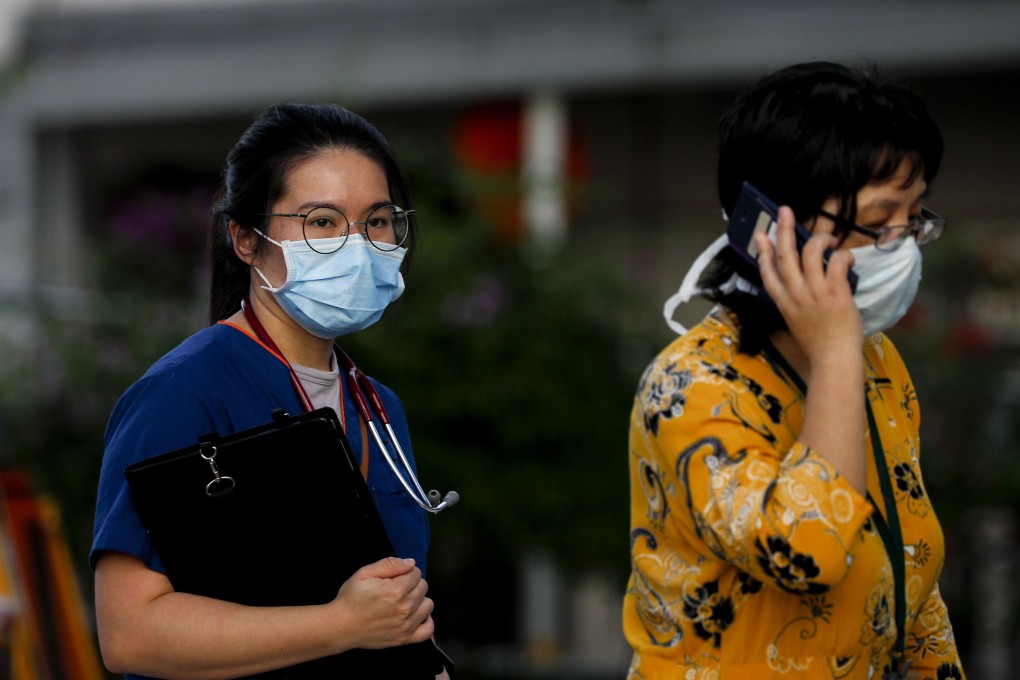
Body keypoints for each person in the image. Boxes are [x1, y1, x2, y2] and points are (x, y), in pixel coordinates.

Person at [623, 62, 967, 679]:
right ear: (772, 224)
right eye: (881, 222)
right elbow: (810, 549)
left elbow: (909, 577)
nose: (904, 246)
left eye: (914, 220)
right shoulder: (691, 386)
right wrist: (836, 351)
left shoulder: (879, 361)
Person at [91, 102, 451, 679]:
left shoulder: (379, 408)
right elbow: (131, 634)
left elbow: (397, 617)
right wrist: (340, 625)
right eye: (323, 222)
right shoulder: (183, 392)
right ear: (245, 239)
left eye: (377, 221)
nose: (357, 246)